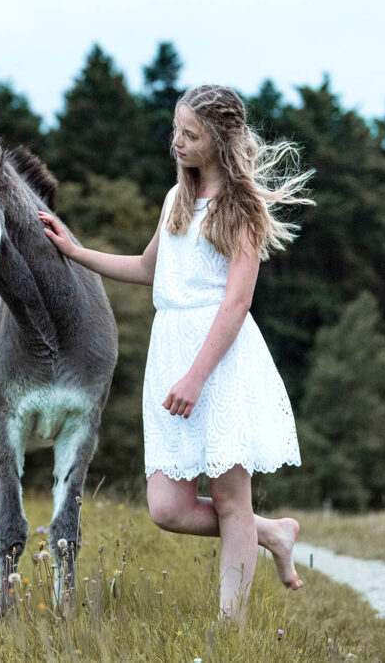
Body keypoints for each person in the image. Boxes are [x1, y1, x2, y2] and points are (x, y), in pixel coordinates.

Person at [39, 84, 313, 624]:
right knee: (166, 508)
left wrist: (196, 377)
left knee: (232, 499)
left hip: (220, 360)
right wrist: (74, 252)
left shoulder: (242, 208)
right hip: (171, 355)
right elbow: (148, 270)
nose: (177, 143)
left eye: (189, 134)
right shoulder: (176, 199)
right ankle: (274, 533)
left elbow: (236, 303)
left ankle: (229, 632)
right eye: (176, 131)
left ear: (219, 140)